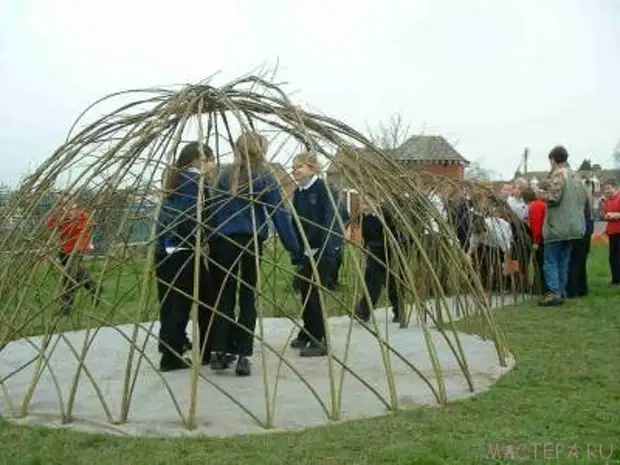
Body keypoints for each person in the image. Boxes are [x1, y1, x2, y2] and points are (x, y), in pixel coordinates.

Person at [208, 132, 302, 375]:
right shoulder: (264, 176)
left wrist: (210, 239)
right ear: (261, 150)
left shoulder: (224, 174)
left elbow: (212, 212)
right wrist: (294, 248)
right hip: (251, 241)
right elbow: (279, 214)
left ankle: (220, 351)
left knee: (224, 295)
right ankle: (242, 355)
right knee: (247, 295)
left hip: (224, 242)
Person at [156, 141, 216, 372]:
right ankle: (172, 358)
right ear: (199, 160)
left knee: (172, 302)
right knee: (188, 302)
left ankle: (171, 347)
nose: (213, 164)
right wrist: (198, 243)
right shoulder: (193, 183)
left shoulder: (175, 180)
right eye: (210, 159)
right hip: (183, 250)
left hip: (167, 249)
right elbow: (189, 217)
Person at [289, 151, 343, 357]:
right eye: (293, 167)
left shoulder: (322, 189)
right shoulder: (299, 192)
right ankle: (308, 330)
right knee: (305, 291)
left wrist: (327, 249)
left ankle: (319, 339)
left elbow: (330, 221)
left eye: (299, 166)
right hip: (306, 250)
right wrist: (296, 248)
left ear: (312, 169)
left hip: (322, 250)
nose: (295, 171)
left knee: (314, 295)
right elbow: (295, 220)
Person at [535, 146, 587, 307]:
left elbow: (553, 198)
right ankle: (562, 291)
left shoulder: (559, 174)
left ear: (553, 160)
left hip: (557, 226)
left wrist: (537, 192)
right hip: (573, 227)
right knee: (564, 260)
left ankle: (554, 293)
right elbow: (583, 199)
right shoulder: (576, 176)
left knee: (551, 261)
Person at [354, 194, 403, 323]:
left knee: (390, 282)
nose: (363, 207)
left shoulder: (386, 215)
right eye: (361, 204)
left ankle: (398, 311)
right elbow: (367, 236)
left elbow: (394, 235)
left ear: (375, 202)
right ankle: (364, 310)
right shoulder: (365, 217)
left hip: (388, 252)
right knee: (372, 280)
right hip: (373, 252)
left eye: (366, 203)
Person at [47, 197, 100, 315]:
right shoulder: (60, 216)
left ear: (74, 203)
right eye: (63, 203)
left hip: (77, 250)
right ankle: (94, 288)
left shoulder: (82, 215)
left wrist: (88, 242)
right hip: (64, 250)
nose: (67, 205)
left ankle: (66, 308)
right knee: (76, 274)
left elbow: (91, 227)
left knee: (68, 277)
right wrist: (58, 216)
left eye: (69, 203)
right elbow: (51, 227)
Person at [467, 211, 513, 292]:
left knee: (507, 265)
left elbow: (508, 251)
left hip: (506, 244)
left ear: (486, 229)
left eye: (481, 235)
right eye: (478, 235)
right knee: (487, 262)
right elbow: (472, 247)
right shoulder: (476, 231)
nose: (480, 237)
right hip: (490, 245)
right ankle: (489, 284)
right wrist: (468, 255)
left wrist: (506, 263)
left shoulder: (498, 233)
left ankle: (508, 285)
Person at [566, 188, 594, 298]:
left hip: (578, 233)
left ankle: (572, 290)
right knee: (581, 262)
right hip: (585, 232)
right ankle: (582, 288)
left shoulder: (575, 205)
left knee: (574, 262)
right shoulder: (586, 204)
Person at [522, 187, 548, 295]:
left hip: (541, 239)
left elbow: (537, 226)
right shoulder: (541, 204)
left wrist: (536, 242)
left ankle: (542, 288)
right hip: (545, 238)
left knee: (540, 263)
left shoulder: (535, 207)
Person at [601, 179, 620, 285]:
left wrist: (616, 215)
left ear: (615, 188)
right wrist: (607, 216)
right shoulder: (607, 202)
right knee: (613, 257)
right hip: (612, 233)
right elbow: (605, 215)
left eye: (609, 188)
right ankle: (615, 279)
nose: (607, 191)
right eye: (605, 189)